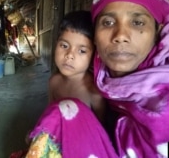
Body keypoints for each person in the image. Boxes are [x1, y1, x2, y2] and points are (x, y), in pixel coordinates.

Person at [92, 0, 169, 157]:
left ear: (158, 32)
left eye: (137, 22)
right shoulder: (90, 82)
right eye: (108, 22)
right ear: (94, 34)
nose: (121, 35)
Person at [24, 11, 117, 157]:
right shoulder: (54, 82)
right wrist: (38, 132)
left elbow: (100, 133)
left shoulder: (94, 91)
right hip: (60, 142)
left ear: (93, 55)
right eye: (64, 45)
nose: (69, 55)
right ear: (56, 45)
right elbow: (51, 118)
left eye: (81, 50)